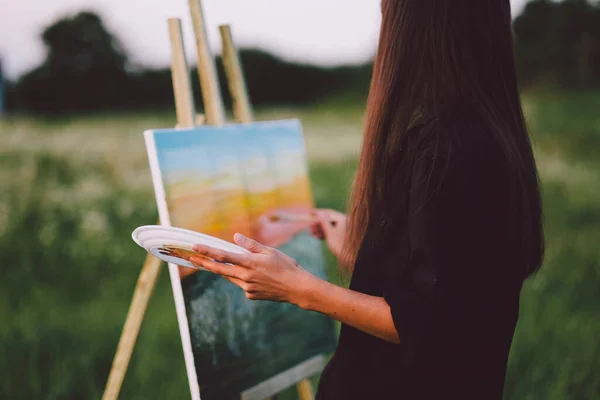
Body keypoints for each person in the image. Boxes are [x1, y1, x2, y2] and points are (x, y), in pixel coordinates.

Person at [190, 0, 544, 398]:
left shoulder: (454, 148)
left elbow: (441, 327)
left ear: (417, 26)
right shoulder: (487, 134)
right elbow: (454, 283)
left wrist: (298, 287)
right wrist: (364, 259)